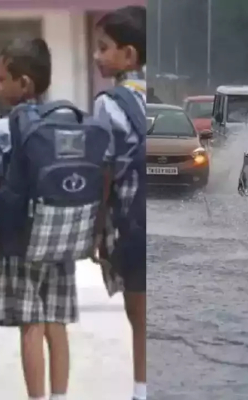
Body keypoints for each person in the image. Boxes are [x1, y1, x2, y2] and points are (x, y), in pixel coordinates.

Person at [0, 38, 77, 400]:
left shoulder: (3, 130)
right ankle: (60, 396)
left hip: (18, 240)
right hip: (60, 235)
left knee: (30, 326)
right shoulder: (67, 121)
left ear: (25, 83)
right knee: (57, 323)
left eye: (3, 78)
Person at [93, 6, 147, 400]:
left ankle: (141, 390)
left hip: (130, 221)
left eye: (103, 48)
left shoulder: (109, 103)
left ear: (128, 56)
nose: (96, 56)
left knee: (139, 315)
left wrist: (97, 224)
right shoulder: (158, 99)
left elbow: (105, 169)